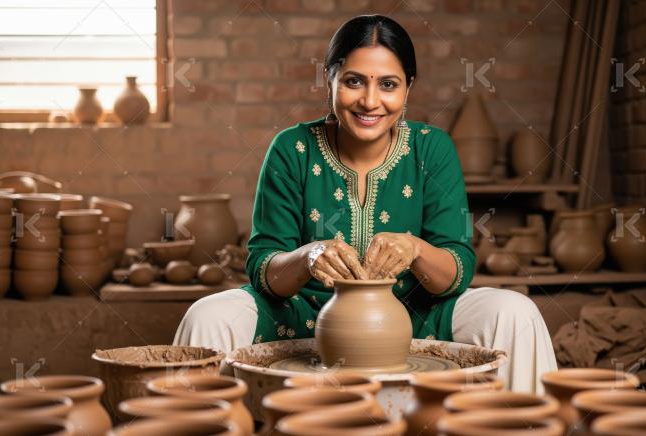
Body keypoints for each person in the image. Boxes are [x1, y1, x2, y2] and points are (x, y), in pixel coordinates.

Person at [173, 14, 557, 393]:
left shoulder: (431, 148)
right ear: (330, 79)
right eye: (354, 81)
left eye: (388, 84)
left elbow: (457, 269)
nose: (370, 101)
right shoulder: (293, 148)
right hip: (301, 313)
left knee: (515, 311)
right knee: (208, 315)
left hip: (414, 313)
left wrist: (416, 249)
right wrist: (307, 256)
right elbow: (262, 266)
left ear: (409, 87)